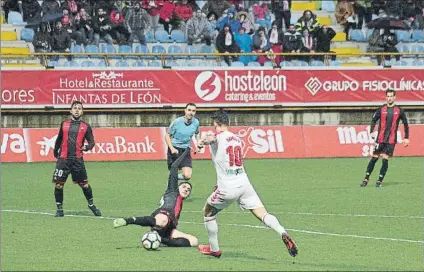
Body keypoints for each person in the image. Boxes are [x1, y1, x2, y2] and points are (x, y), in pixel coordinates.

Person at [195, 110, 298, 258]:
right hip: (244, 184)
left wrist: (201, 141)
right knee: (262, 213)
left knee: (207, 212)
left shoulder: (217, 137)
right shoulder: (237, 139)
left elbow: (211, 138)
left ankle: (214, 249)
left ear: (215, 124)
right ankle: (281, 231)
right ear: (228, 123)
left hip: (228, 188)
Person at [113, 148, 198, 247]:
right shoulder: (172, 191)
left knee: (194, 241)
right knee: (162, 221)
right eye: (184, 186)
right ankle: (128, 221)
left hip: (170, 227)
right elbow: (174, 166)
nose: (186, 189)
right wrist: (186, 152)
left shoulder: (180, 201)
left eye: (189, 190)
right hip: (162, 216)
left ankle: (161, 239)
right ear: (177, 187)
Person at [52, 101, 101, 217]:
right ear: (71, 111)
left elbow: (92, 142)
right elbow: (59, 140)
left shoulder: (85, 127)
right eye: (75, 108)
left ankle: (91, 205)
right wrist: (55, 151)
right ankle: (59, 209)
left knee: (84, 185)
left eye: (79, 108)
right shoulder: (64, 124)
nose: (77, 110)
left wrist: (87, 147)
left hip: (77, 161)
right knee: (58, 185)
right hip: (63, 160)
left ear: (82, 111)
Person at [360, 90, 410, 188]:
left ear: (395, 97)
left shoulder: (399, 110)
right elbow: (374, 120)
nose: (389, 98)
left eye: (391, 96)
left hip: (391, 140)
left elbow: (405, 124)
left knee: (385, 159)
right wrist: (371, 131)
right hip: (380, 138)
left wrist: (406, 137)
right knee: (374, 158)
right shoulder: (381, 109)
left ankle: (379, 181)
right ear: (386, 97)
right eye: (387, 96)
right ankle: (366, 179)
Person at [165, 103, 201, 181]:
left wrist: (198, 144)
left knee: (187, 176)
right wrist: (172, 148)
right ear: (185, 111)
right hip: (175, 149)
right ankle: (170, 189)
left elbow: (197, 133)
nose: (191, 112)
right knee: (174, 171)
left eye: (193, 111)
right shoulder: (177, 122)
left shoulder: (196, 122)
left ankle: (172, 177)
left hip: (185, 150)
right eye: (189, 110)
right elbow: (167, 135)